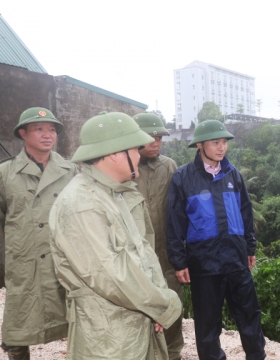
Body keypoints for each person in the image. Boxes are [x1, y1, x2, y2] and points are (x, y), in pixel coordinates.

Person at [49, 111, 182, 359]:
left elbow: (143, 251)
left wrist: (157, 302)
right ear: (114, 154)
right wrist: (163, 305)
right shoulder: (83, 203)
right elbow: (110, 275)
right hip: (109, 338)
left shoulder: (113, 193)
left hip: (130, 323)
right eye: (134, 149)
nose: (138, 154)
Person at [167, 119, 266, 360]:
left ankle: (256, 356)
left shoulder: (233, 175)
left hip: (235, 258)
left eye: (224, 142)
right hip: (204, 263)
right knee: (207, 324)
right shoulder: (183, 178)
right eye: (215, 142)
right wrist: (179, 261)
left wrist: (250, 247)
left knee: (249, 315)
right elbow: (174, 222)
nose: (221, 147)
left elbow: (245, 212)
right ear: (200, 145)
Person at [0, 107, 77, 360]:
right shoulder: (5, 173)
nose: (48, 135)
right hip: (25, 261)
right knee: (17, 328)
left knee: (78, 319)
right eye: (39, 129)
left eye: (52, 129)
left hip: (64, 258)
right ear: (23, 133)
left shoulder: (70, 171)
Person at [133, 112, 183, 360]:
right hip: (135, 255)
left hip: (166, 254)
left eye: (159, 137)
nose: (155, 142)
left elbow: (179, 211)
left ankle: (173, 354)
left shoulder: (169, 166)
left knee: (171, 305)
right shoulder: (125, 167)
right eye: (150, 137)